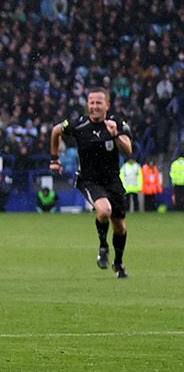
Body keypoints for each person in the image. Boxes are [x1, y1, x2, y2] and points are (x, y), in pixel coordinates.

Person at [50, 89, 134, 277]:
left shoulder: (116, 123)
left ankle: (118, 263)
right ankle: (103, 246)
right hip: (89, 180)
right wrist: (54, 159)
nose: (94, 106)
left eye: (98, 103)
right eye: (91, 103)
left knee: (119, 227)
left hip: (112, 181)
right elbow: (56, 131)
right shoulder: (79, 124)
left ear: (107, 105)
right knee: (104, 211)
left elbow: (128, 149)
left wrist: (116, 134)